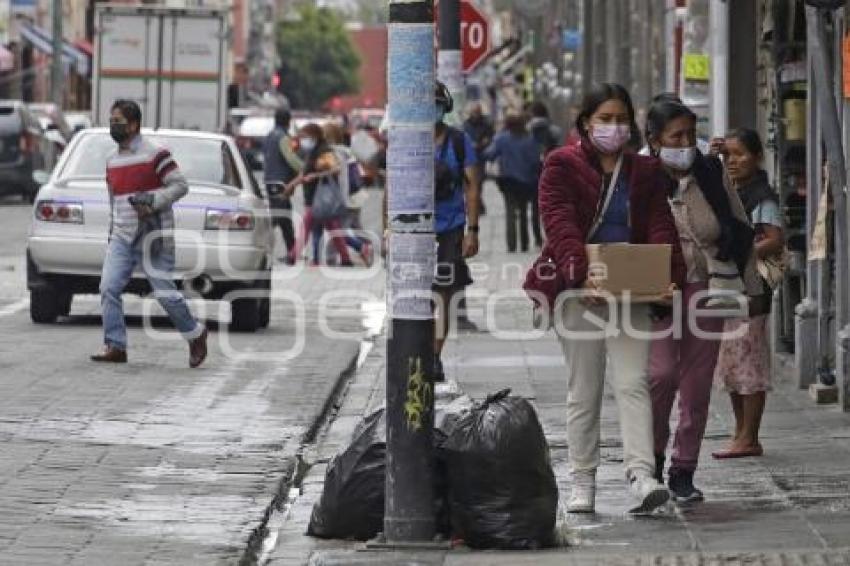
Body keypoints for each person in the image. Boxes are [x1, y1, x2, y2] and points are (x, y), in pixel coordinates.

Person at [534, 83, 685, 515]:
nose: (614, 127)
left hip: (630, 288)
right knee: (585, 388)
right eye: (605, 118)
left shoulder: (645, 171)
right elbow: (559, 225)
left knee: (633, 382)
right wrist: (582, 278)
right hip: (578, 293)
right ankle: (583, 479)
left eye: (621, 119)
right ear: (586, 122)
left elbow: (660, 225)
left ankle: (641, 475)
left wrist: (667, 275)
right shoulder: (560, 165)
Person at [644, 100, 759, 502]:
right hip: (656, 292)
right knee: (660, 376)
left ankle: (683, 468)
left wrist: (751, 290)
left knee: (695, 386)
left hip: (707, 289)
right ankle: (652, 457)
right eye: (676, 136)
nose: (686, 144)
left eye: (691, 135)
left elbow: (739, 225)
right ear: (655, 140)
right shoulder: (640, 176)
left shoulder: (710, 172)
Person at [91, 99, 208, 368]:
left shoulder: (156, 154)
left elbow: (180, 186)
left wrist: (153, 201)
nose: (113, 126)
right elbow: (114, 201)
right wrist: (112, 233)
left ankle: (196, 334)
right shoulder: (111, 161)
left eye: (118, 121)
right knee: (108, 288)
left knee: (164, 292)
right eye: (111, 121)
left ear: (134, 124)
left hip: (155, 235)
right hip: (122, 235)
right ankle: (115, 345)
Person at [712, 128, 784, 459]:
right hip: (729, 287)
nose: (733, 161)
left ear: (757, 157)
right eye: (728, 155)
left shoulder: (761, 196)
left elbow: (775, 237)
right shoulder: (728, 190)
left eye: (740, 154)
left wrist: (745, 252)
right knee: (731, 364)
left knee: (749, 364)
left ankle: (750, 435)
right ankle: (740, 432)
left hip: (752, 291)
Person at [433, 81, 481, 381]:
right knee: (418, 299)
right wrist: (388, 228)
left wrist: (472, 231)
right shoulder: (406, 143)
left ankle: (434, 356)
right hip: (415, 235)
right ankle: (421, 353)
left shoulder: (459, 142)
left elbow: (472, 188)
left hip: (451, 229)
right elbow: (390, 188)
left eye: (436, 103)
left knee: (444, 297)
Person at [285, 123, 352, 266]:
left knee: (306, 227)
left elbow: (335, 169)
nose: (303, 140)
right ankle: (348, 257)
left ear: (314, 136)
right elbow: (304, 173)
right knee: (334, 228)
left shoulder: (324, 151)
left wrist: (316, 176)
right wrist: (291, 185)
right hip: (315, 198)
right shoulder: (313, 151)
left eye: (305, 137)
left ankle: (293, 255)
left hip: (320, 198)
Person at [481, 111, 542, 252]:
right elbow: (535, 161)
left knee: (510, 212)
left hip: (508, 181)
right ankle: (525, 243)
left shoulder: (501, 139)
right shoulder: (531, 140)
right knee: (523, 212)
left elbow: (489, 155)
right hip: (528, 181)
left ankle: (512, 245)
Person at [263, 108, 303, 264]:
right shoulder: (283, 138)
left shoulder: (269, 136)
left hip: (269, 181)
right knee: (282, 218)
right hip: (280, 183)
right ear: (288, 121)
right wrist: (305, 168)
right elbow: (290, 158)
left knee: (281, 217)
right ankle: (290, 254)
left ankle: (291, 253)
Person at [463, 102, 494, 215]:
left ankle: (477, 204)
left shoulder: (486, 124)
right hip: (468, 159)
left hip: (481, 157)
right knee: (470, 183)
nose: (476, 114)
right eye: (474, 112)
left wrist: (483, 143)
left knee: (479, 183)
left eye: (478, 112)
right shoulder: (465, 125)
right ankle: (474, 205)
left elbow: (491, 138)